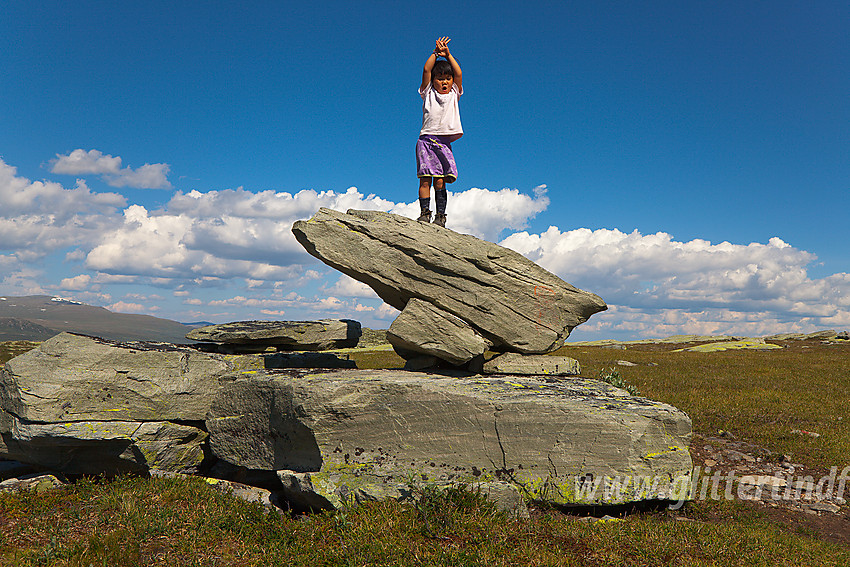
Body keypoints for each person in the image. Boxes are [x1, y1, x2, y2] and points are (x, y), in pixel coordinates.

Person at [416, 36, 462, 228]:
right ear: (433, 81)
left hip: (443, 143)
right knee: (425, 179)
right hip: (426, 140)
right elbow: (427, 69)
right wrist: (435, 54)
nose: (444, 82)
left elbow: (458, 73)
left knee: (441, 181)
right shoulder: (428, 93)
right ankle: (425, 213)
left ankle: (441, 216)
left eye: (447, 78)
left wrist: (448, 55)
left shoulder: (454, 93)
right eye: (440, 78)